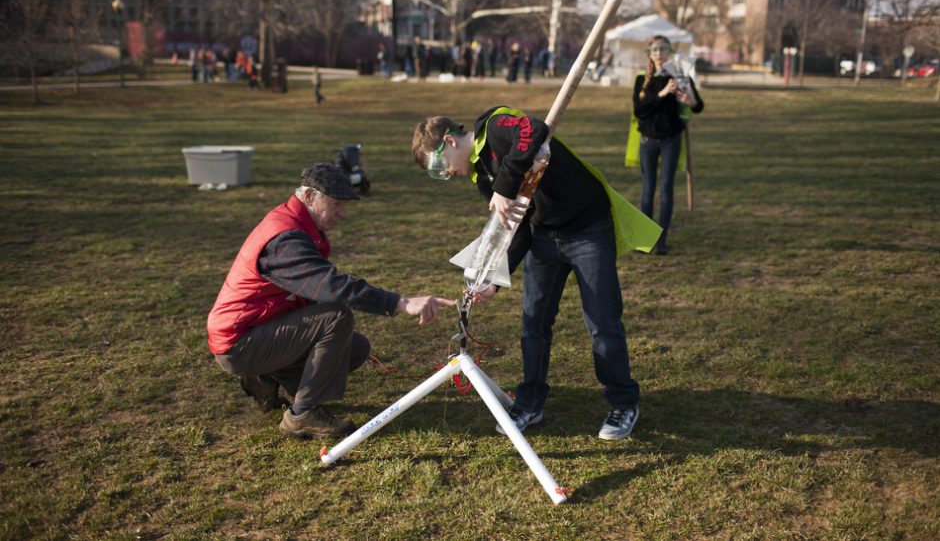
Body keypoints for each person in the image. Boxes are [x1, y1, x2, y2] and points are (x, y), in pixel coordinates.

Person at [411, 108, 661, 440]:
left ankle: (623, 403)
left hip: (586, 228)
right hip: (543, 237)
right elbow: (516, 228)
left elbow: (534, 128)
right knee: (534, 324)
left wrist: (505, 185)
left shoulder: (495, 127)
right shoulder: (481, 175)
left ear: (450, 141)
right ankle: (530, 403)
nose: (446, 175)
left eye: (439, 166)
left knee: (602, 321)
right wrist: (493, 281)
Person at [207, 163, 454, 438]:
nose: (342, 213)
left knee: (355, 349)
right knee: (336, 317)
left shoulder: (295, 222)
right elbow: (332, 288)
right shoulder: (285, 239)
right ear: (309, 196)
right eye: (336, 203)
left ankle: (265, 377)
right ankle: (303, 414)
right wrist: (401, 303)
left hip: (257, 328)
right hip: (238, 343)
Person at [631, 35, 704, 255]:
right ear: (649, 54)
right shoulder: (642, 80)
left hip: (671, 140)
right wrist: (662, 93)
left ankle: (661, 240)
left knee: (666, 189)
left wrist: (689, 101)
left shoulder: (679, 76)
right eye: (655, 50)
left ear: (669, 52)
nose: (659, 54)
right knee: (647, 190)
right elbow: (640, 111)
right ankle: (645, 239)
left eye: (663, 49)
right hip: (648, 141)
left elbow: (698, 106)